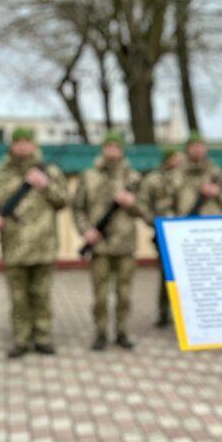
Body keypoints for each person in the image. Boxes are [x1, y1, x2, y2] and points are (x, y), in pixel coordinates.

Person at [0, 127, 68, 357]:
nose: (22, 146)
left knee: (42, 296)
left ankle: (42, 337)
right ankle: (21, 339)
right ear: (11, 145)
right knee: (18, 298)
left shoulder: (50, 171)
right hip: (13, 245)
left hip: (43, 245)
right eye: (18, 141)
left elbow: (63, 201)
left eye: (27, 141)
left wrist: (44, 184)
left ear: (34, 144)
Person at [73, 131, 144, 350]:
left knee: (124, 295)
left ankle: (121, 331)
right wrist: (86, 232)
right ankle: (101, 332)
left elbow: (146, 211)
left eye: (116, 146)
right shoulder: (88, 175)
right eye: (108, 145)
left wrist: (132, 203)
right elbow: (78, 208)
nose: (112, 150)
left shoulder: (134, 177)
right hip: (100, 245)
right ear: (103, 149)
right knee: (100, 295)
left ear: (122, 150)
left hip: (125, 245)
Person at [138, 146, 182, 327]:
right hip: (163, 232)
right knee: (166, 274)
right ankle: (164, 312)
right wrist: (154, 222)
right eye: (174, 157)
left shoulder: (184, 177)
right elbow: (143, 203)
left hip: (184, 232)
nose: (178, 160)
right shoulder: (153, 179)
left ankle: (185, 314)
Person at [174, 131, 222, 216]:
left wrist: (218, 192)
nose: (198, 149)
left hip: (214, 221)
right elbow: (166, 201)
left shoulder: (216, 172)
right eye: (193, 146)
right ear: (187, 149)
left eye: (201, 146)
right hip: (184, 221)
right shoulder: (177, 172)